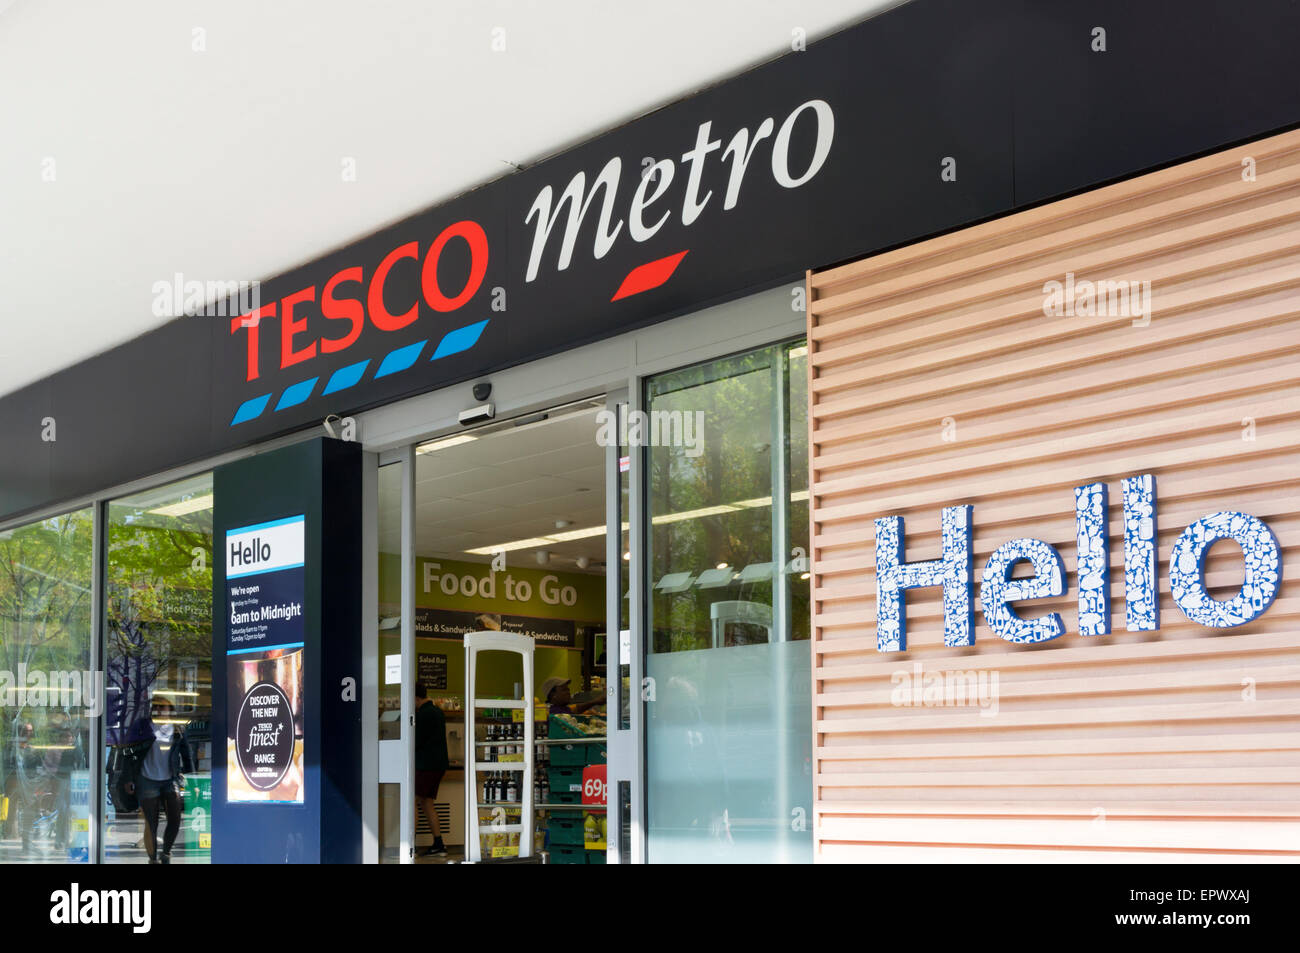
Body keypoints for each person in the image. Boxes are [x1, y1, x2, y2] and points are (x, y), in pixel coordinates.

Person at [127, 694, 193, 865]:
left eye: (161, 707)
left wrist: (192, 779)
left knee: (175, 819)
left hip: (170, 779)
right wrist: (128, 778)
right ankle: (153, 859)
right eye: (155, 706)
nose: (157, 710)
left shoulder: (178, 729)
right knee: (151, 822)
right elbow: (128, 752)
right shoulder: (143, 726)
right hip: (147, 779)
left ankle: (166, 853)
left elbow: (187, 756)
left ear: (170, 709)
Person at [414, 682, 448, 858]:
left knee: (412, 802)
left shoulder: (422, 715)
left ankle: (408, 845)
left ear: (415, 698)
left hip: (426, 766)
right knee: (427, 803)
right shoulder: (437, 711)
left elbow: (415, 742)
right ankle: (438, 843)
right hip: (438, 765)